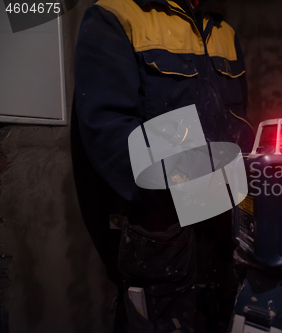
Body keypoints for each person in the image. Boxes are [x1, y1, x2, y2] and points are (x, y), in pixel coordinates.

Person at [71, 0, 254, 331]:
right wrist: (210, 178)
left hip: (227, 231)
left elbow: (238, 124)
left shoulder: (223, 29)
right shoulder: (117, 14)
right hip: (162, 235)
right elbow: (110, 134)